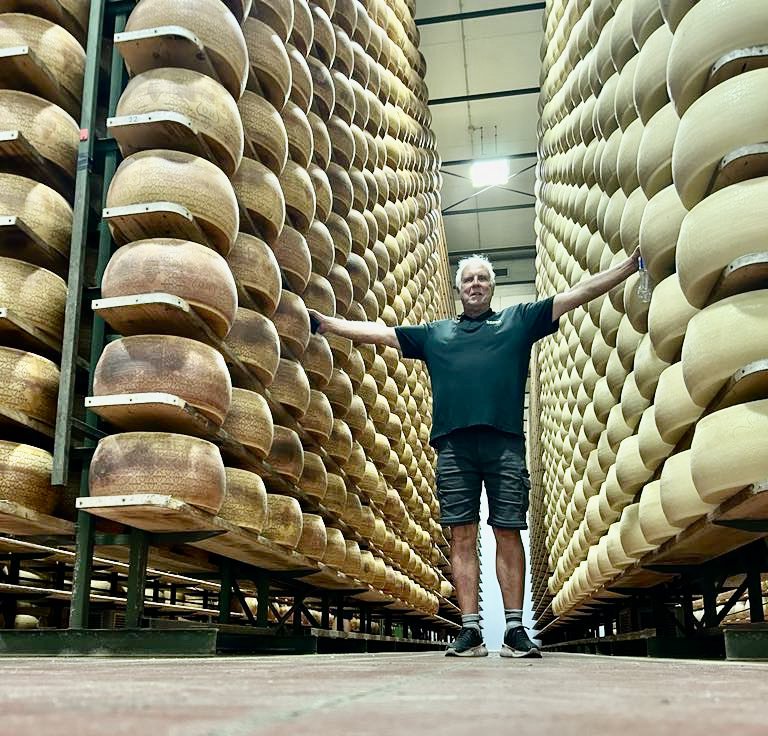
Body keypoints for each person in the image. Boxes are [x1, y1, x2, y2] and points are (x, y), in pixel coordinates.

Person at [309, 245, 641, 658]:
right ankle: (470, 631)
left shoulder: (518, 321)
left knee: (507, 530)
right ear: (458, 289)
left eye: (483, 278)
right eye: (468, 279)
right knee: (461, 534)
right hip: (453, 447)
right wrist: (330, 325)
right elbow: (381, 333)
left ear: (492, 286)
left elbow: (575, 294)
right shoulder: (436, 334)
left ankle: (515, 629)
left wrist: (628, 267)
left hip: (504, 444)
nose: (476, 284)